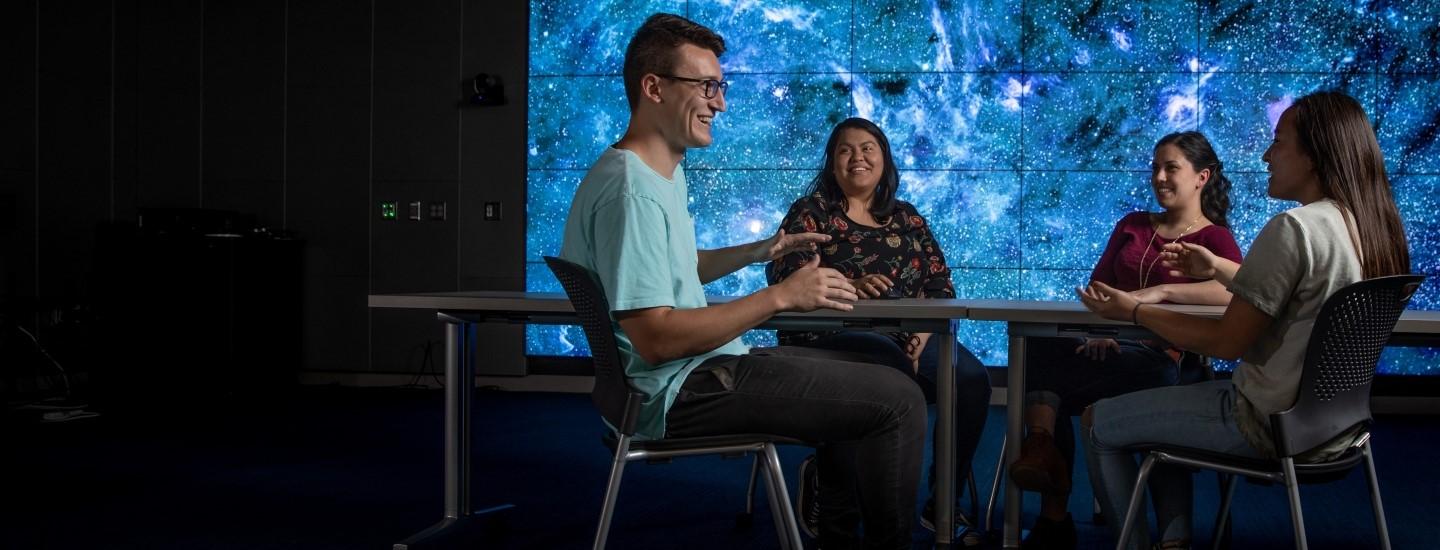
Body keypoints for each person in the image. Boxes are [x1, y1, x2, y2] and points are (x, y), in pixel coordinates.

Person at [557, 14, 926, 550]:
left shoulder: (652, 173)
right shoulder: (631, 192)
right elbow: (657, 338)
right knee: (900, 400)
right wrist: (782, 294)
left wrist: (762, 251)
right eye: (705, 86)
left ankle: (838, 531)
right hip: (682, 389)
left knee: (880, 365)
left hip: (693, 372)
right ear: (653, 88)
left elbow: (676, 269)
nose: (720, 103)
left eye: (720, 87)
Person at [1076, 91, 1411, 550]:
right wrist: (1217, 268)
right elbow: (1299, 291)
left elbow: (1225, 342)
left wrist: (1134, 310)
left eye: (1278, 142)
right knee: (1167, 399)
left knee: (1098, 423)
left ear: (1314, 156)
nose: (1265, 154)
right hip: (1340, 429)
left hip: (1264, 422)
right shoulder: (1371, 228)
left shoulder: (1294, 228)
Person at [1007, 131, 1243, 550]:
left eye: (1171, 167)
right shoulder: (1132, 224)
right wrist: (1099, 332)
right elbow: (1099, 288)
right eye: (1155, 167)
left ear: (1201, 177)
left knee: (1108, 377)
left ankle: (1062, 514)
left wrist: (1164, 293)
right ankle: (1042, 456)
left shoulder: (1214, 240)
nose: (1159, 177)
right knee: (1037, 348)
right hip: (1102, 346)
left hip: (1160, 356)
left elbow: (1236, 293)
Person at [766, 117, 993, 542]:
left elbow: (940, 284)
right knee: (877, 370)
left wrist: (922, 333)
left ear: (884, 159)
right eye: (845, 150)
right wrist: (849, 285)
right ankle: (840, 507)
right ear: (832, 163)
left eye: (868, 148)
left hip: (907, 338)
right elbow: (784, 272)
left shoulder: (907, 218)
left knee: (971, 379)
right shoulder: (811, 213)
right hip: (828, 337)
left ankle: (942, 503)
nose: (858, 157)